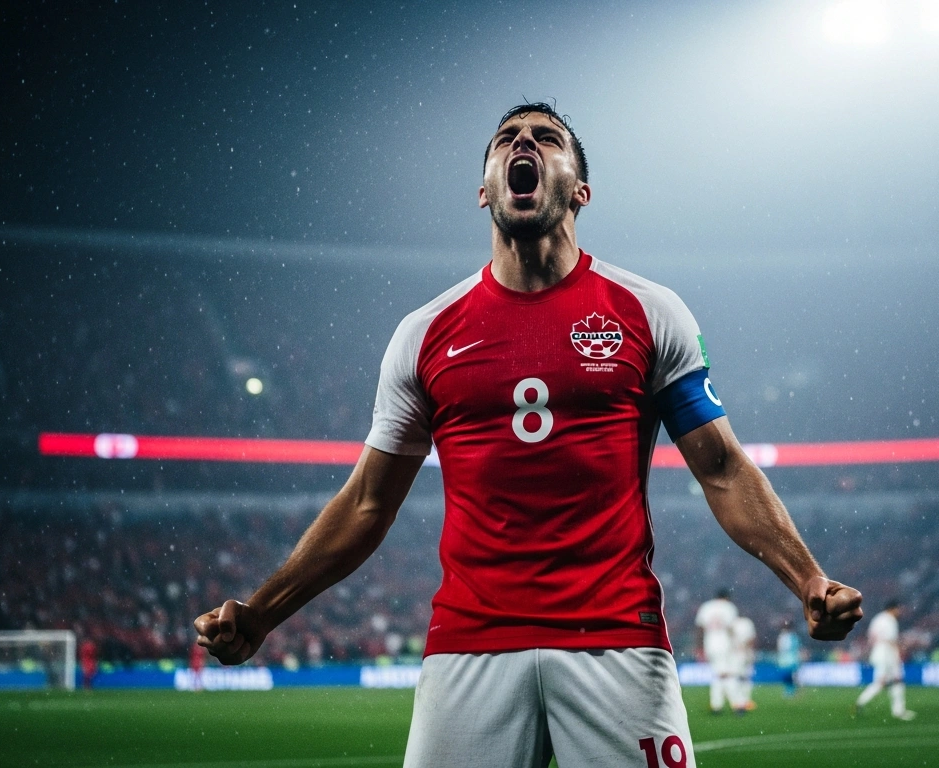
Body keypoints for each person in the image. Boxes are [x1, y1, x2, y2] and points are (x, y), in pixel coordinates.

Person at [194, 102, 864, 768]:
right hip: (469, 644)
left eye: (547, 138)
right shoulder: (424, 335)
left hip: (616, 641)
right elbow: (368, 504)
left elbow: (722, 469)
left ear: (580, 189)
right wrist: (262, 613)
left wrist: (807, 578)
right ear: (485, 189)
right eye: (507, 139)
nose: (525, 143)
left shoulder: (648, 311)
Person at [854, 599, 915, 721]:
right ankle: (898, 711)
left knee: (883, 682)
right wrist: (898, 654)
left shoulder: (877, 619)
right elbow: (891, 640)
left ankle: (860, 703)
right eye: (898, 609)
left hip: (878, 652)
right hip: (888, 653)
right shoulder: (889, 620)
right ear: (892, 608)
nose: (899, 612)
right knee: (895, 681)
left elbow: (871, 637)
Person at [695, 590, 738, 715]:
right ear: (726, 597)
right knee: (727, 674)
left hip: (710, 644)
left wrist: (700, 647)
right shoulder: (729, 607)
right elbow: (731, 628)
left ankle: (717, 704)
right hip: (724, 643)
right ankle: (736, 704)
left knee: (717, 674)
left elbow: (699, 628)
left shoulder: (706, 606)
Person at [728, 613, 757, 713]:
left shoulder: (732, 623)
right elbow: (751, 639)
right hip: (745, 653)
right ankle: (744, 701)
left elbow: (729, 637)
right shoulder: (748, 623)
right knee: (745, 678)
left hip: (735, 654)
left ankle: (738, 702)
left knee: (736, 678)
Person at [776, 620, 802, 697]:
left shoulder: (793, 637)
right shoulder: (782, 636)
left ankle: (791, 691)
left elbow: (796, 648)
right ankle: (789, 690)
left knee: (791, 676)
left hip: (792, 659)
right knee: (785, 676)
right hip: (783, 660)